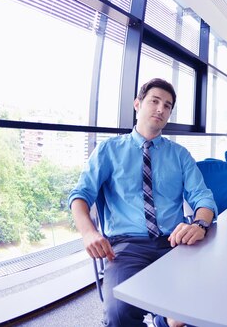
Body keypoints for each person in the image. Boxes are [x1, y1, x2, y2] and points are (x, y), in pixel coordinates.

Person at [68, 78, 217, 327]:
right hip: (127, 246)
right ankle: (165, 319)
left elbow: (203, 198)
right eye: (155, 101)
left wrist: (200, 224)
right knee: (119, 314)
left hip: (175, 243)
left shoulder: (179, 155)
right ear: (137, 104)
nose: (161, 109)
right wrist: (88, 233)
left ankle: (163, 321)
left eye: (167, 106)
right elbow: (80, 195)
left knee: (205, 304)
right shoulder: (109, 150)